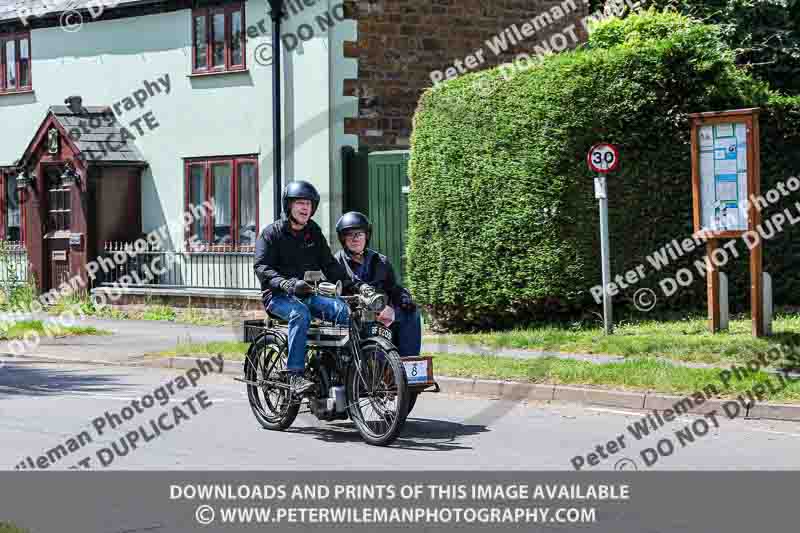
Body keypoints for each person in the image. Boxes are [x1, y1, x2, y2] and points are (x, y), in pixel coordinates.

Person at [254, 181, 366, 394]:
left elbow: (329, 264)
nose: (305, 208)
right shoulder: (271, 233)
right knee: (301, 314)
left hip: (308, 293)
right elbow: (261, 267)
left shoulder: (313, 231)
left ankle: (336, 365)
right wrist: (286, 283)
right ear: (289, 206)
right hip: (277, 297)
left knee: (343, 310)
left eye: (308, 203)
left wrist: (353, 286)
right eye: (300, 203)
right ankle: (295, 374)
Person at [334, 211, 422, 357]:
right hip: (355, 315)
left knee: (411, 313)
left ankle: (409, 363)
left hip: (384, 310)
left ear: (366, 236)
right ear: (343, 239)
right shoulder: (336, 262)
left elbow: (393, 288)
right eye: (350, 235)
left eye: (359, 234)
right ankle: (378, 368)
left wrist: (401, 301)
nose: (355, 239)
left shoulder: (380, 260)